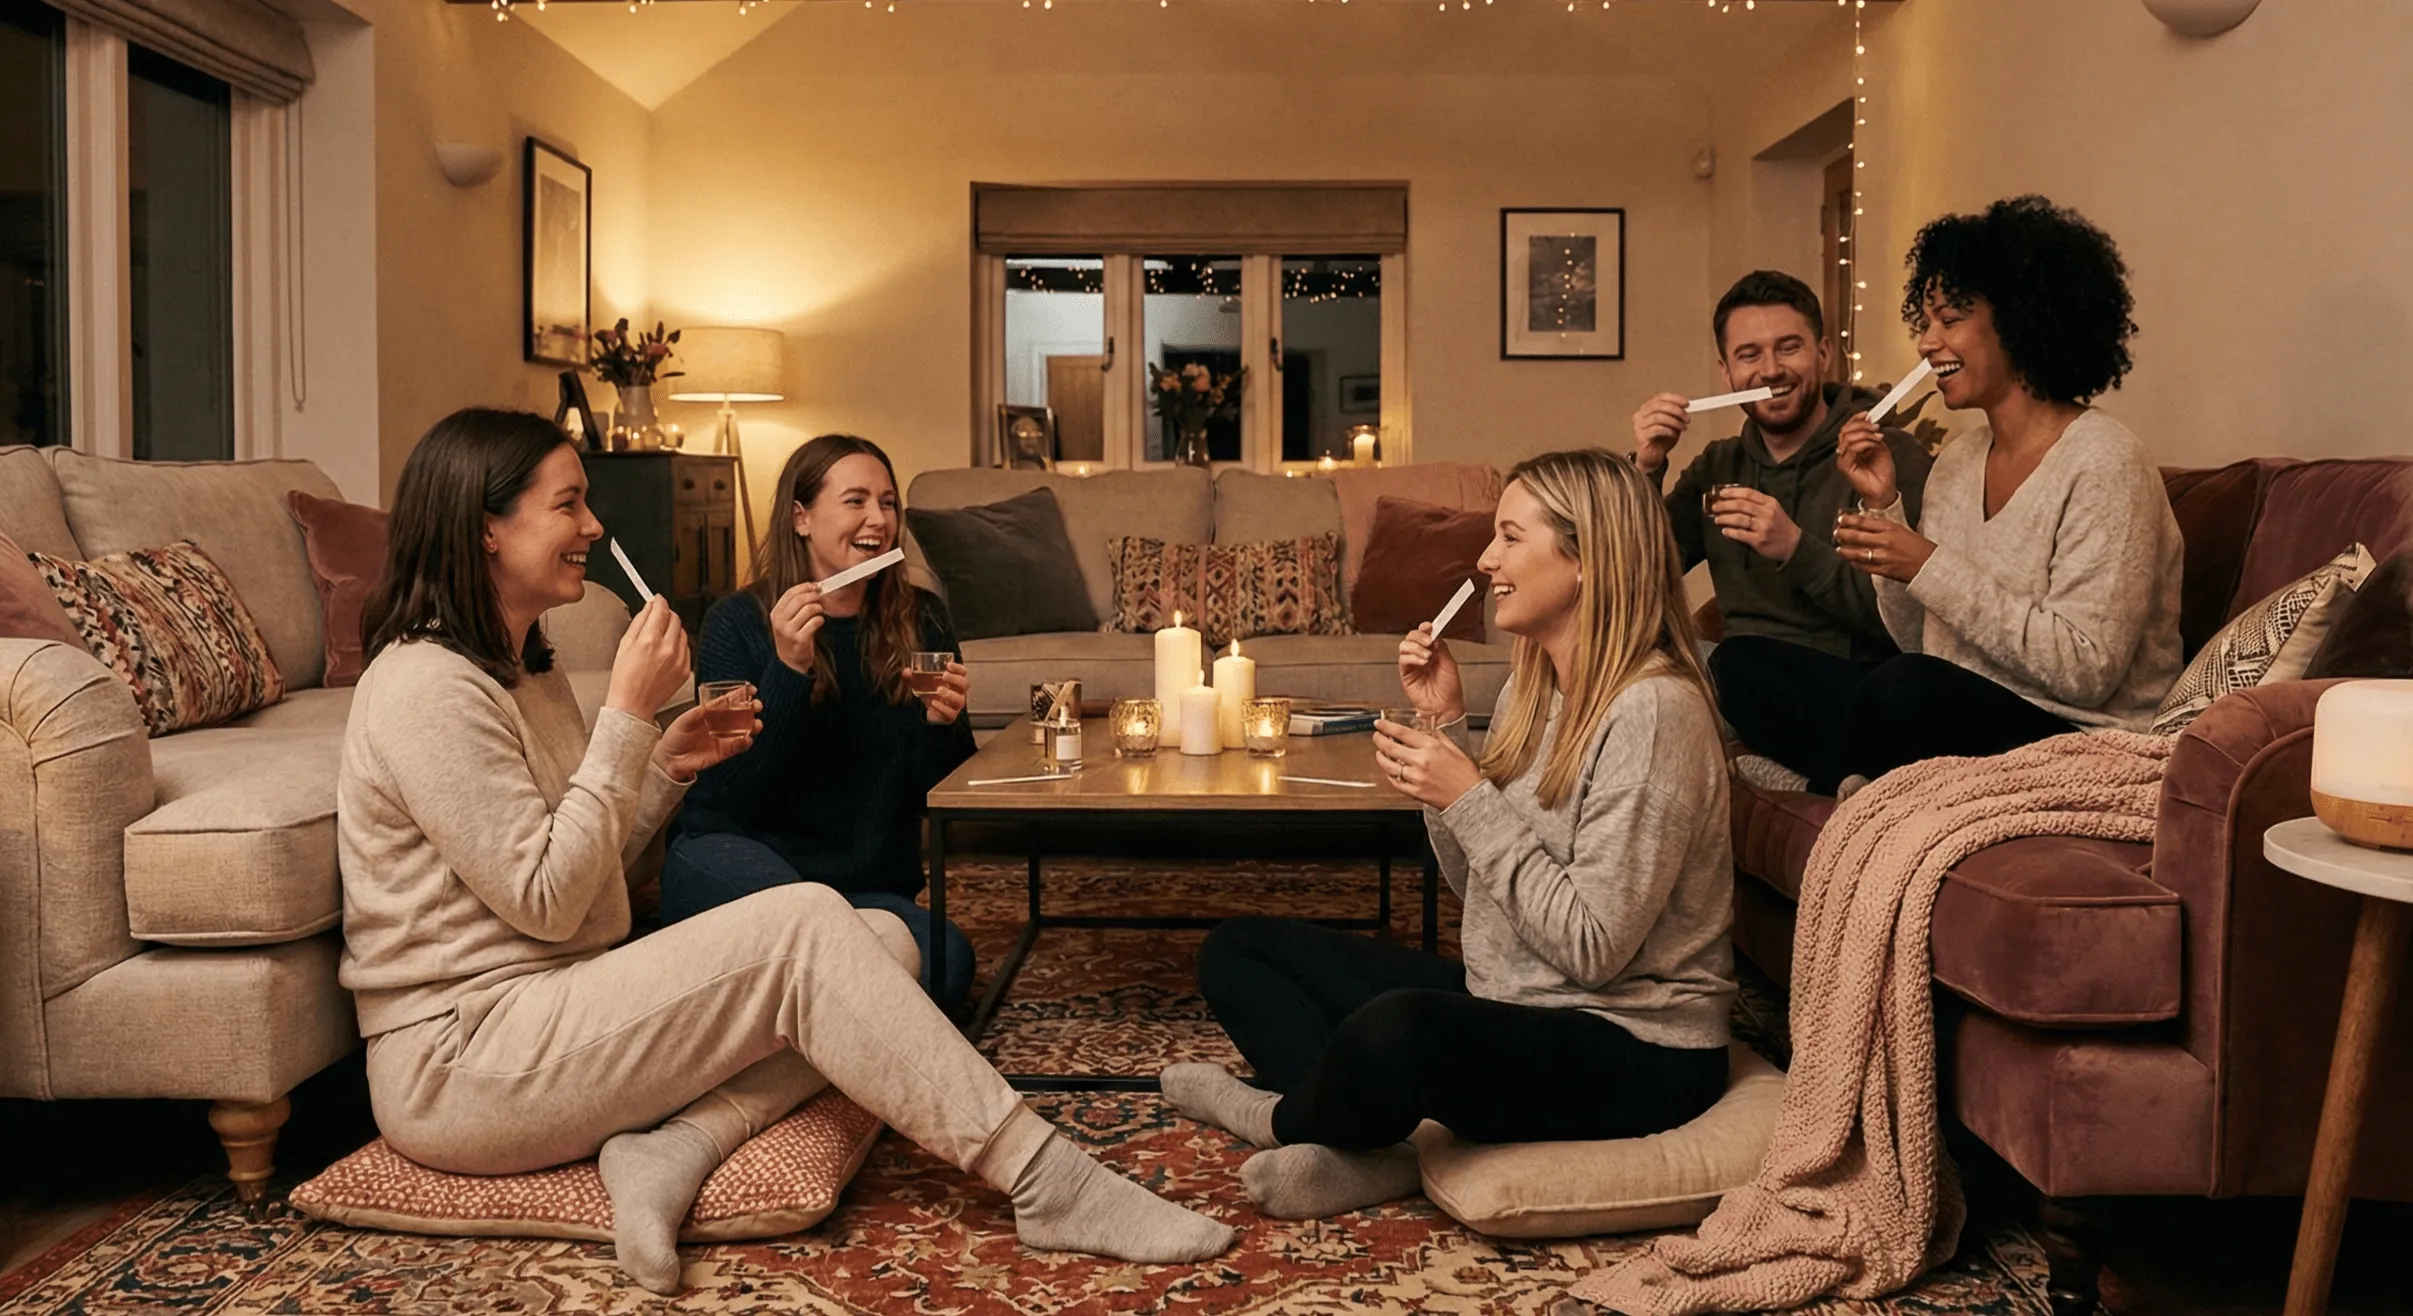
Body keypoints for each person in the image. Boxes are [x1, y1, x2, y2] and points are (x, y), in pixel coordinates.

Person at [337, 409, 1233, 1297]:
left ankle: (675, 1145)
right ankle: (1048, 1182)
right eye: (568, 505)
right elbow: (548, 900)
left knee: (883, 943)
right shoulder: (424, 687)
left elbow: (585, 862)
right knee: (812, 924)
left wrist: (659, 768)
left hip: (555, 1007)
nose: (595, 527)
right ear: (485, 527)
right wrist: (623, 720)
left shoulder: (523, 671)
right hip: (463, 1062)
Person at [1158, 448, 1736, 1220]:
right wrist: (1444, 726)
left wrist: (1466, 795)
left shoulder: (1654, 712)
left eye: (1508, 537)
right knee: (1239, 950)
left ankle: (1276, 1118)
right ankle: (1374, 1146)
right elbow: (1483, 890)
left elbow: (1594, 948)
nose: (1485, 558)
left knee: (1399, 1030)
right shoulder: (1544, 694)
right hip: (1516, 998)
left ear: (1587, 561)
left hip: (1632, 1046)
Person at [1821, 195, 2182, 796]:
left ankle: (1860, 780)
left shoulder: (2106, 462)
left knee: (1898, 691)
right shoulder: (1959, 462)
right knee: (1748, 667)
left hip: (2075, 737)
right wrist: (1885, 508)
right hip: (1957, 710)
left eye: (1951, 319)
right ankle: (1865, 776)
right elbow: (1922, 643)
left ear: (2019, 320)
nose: (1926, 342)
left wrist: (1927, 564)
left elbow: (2086, 668)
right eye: (1926, 320)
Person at [659, 434, 976, 1008]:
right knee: (837, 942)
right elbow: (732, 796)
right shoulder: (739, 622)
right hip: (742, 863)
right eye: (856, 501)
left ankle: (784, 998)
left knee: (950, 961)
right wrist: (787, 668)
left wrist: (939, 723)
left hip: (864, 891)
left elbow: (939, 797)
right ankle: (829, 993)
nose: (878, 519)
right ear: (801, 518)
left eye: (888, 502)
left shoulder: (922, 619)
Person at [1629, 270, 1934, 792]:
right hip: (1741, 682)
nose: (1771, 369)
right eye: (1749, 355)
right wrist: (1647, 468)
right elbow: (1632, 578)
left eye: (1788, 348)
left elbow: (1905, 625)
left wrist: (1794, 547)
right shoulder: (1716, 466)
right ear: (1725, 371)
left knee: (1737, 664)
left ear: (1823, 355)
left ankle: (1830, 776)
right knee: (1625, 652)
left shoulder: (1885, 458)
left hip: (1846, 683)